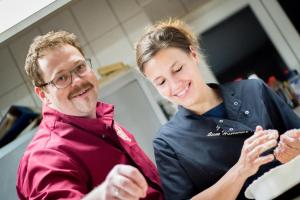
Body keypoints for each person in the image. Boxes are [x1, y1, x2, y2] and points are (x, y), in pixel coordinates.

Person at [135, 19, 300, 200]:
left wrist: (294, 147)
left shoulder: (254, 90)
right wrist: (240, 170)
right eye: (161, 82)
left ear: (193, 55)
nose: (174, 85)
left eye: (178, 69)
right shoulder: (167, 142)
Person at [16, 30, 164, 200]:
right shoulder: (45, 156)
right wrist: (102, 195)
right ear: (43, 95)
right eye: (61, 78)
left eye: (80, 67)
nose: (78, 81)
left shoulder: (102, 121)